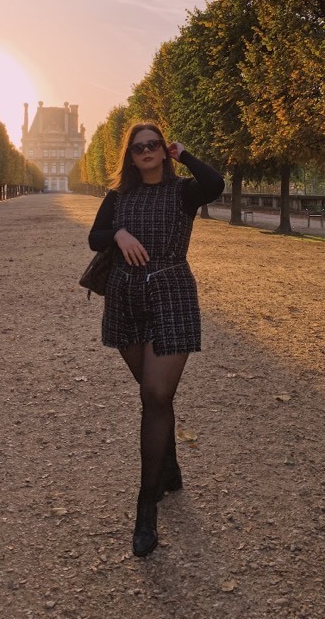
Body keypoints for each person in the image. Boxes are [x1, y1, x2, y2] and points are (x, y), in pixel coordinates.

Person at [88, 122, 224, 557]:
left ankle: (146, 508)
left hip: (171, 294)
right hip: (126, 298)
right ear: (130, 156)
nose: (146, 151)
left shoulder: (184, 192)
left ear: (162, 152)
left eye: (153, 146)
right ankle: (170, 467)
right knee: (156, 399)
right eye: (138, 147)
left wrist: (185, 153)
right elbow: (95, 237)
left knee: (154, 391)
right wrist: (119, 233)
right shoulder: (118, 197)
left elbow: (216, 183)